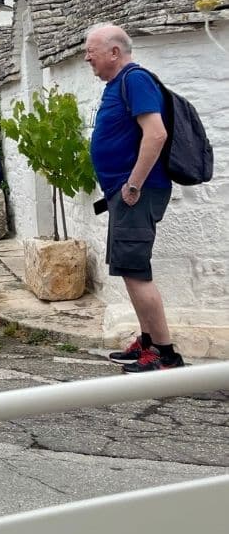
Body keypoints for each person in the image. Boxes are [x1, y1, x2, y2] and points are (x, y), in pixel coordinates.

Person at [84, 23, 184, 372]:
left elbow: (155, 134)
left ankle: (165, 355)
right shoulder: (120, 84)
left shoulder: (134, 79)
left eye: (91, 51)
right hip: (125, 195)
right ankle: (147, 342)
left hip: (136, 194)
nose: (86, 57)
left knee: (137, 272)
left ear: (114, 52)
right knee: (130, 270)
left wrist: (134, 185)